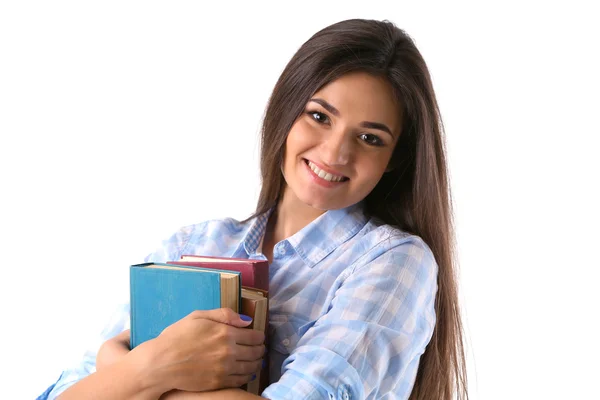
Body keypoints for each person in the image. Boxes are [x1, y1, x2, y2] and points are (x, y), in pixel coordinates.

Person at [38, 18, 468, 400]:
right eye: (319, 116)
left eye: (370, 138)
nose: (335, 152)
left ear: (394, 158)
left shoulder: (393, 262)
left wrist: (142, 373)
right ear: (286, 107)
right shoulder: (192, 243)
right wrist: (155, 367)